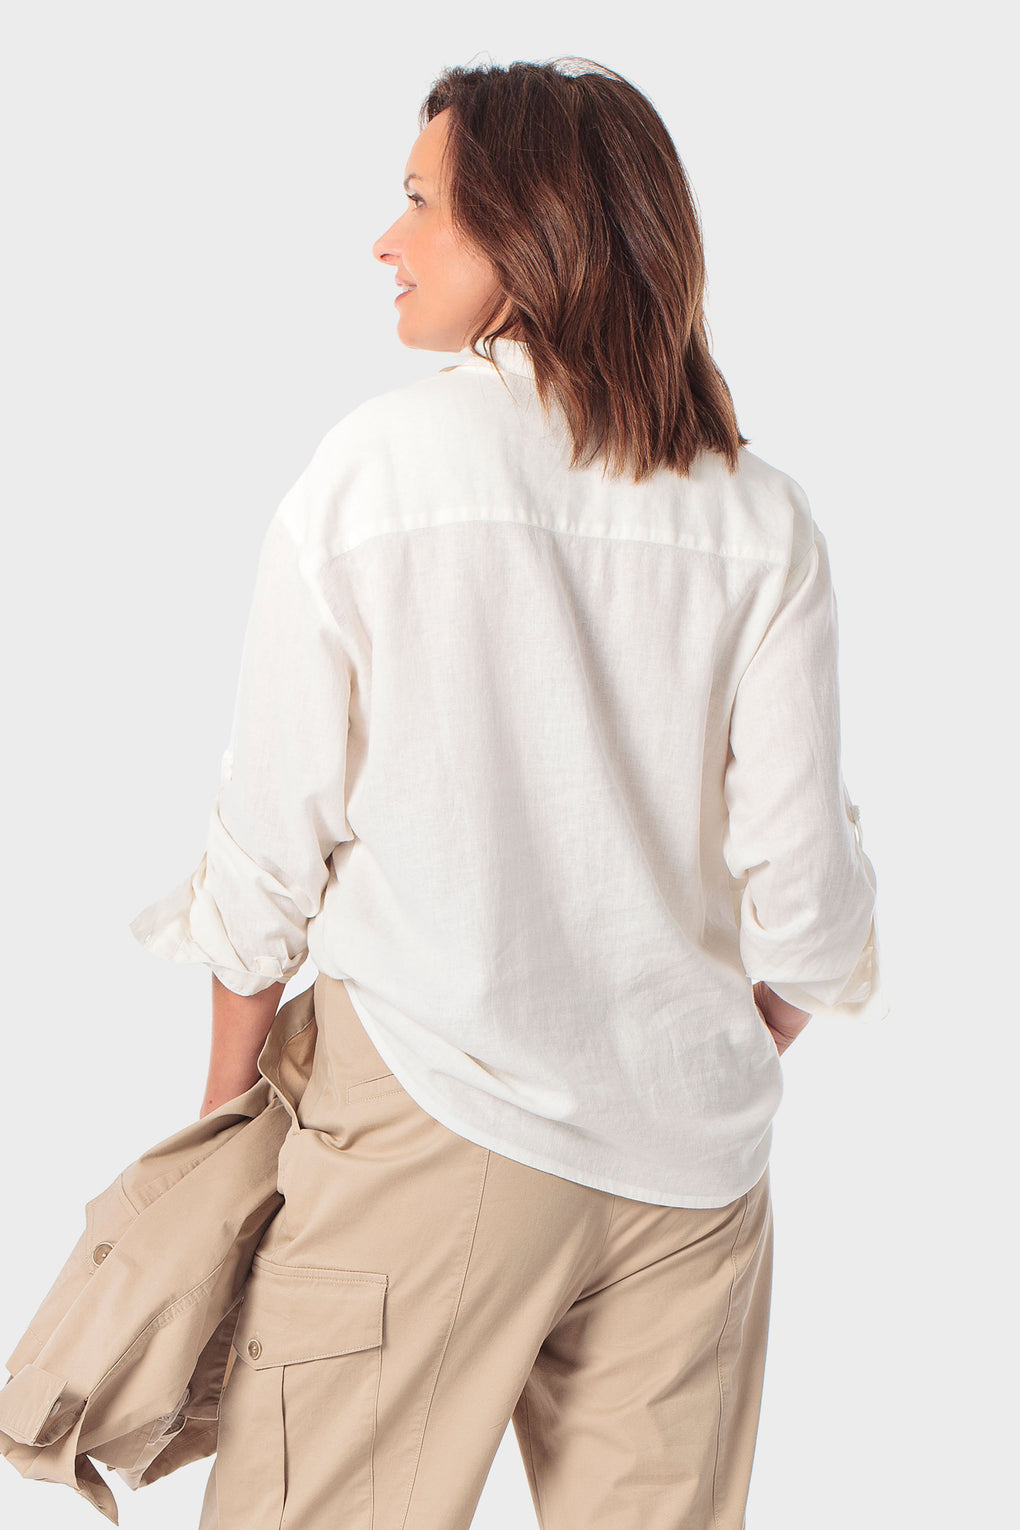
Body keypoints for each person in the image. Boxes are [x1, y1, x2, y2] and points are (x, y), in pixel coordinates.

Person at [128, 55, 886, 1530]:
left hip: (429, 1118)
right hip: (687, 1171)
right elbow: (806, 906)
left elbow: (268, 853)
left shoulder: (377, 473)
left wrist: (221, 1130)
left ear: (531, 231)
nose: (387, 239)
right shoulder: (759, 517)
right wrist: (714, 1046)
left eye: (422, 201)